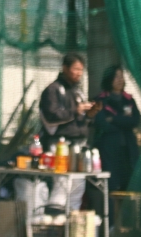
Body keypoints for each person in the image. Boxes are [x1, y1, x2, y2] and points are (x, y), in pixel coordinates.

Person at [38, 53, 100, 212]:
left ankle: (72, 221)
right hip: (60, 145)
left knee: (77, 187)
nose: (79, 73)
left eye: (81, 70)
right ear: (65, 68)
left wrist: (90, 114)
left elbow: (81, 120)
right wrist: (76, 110)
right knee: (61, 185)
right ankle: (54, 219)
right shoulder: (53, 90)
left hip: (79, 145)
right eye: (75, 69)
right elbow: (50, 116)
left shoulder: (78, 91)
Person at [93, 65, 140, 224]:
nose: (120, 80)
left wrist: (113, 119)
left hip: (128, 150)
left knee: (128, 186)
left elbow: (135, 120)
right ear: (109, 79)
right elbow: (101, 122)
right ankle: (111, 225)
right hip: (109, 150)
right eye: (116, 77)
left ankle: (127, 224)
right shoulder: (100, 100)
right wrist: (123, 122)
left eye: (122, 76)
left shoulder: (129, 100)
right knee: (111, 187)